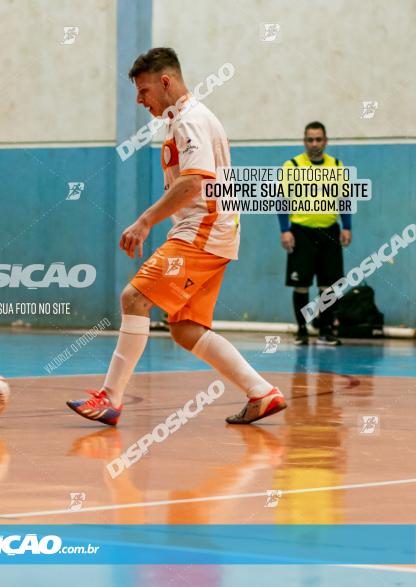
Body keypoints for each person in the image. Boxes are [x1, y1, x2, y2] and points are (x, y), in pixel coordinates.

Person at [67, 48, 286, 426]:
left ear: (165, 81)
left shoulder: (190, 120)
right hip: (214, 231)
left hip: (202, 230)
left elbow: (193, 182)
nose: (139, 100)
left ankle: (110, 399)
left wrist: (145, 221)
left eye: (144, 90)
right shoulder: (182, 121)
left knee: (134, 298)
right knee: (186, 329)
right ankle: (261, 392)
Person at [279, 121, 351, 346]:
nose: (314, 144)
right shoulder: (292, 166)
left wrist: (347, 226)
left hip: (330, 231)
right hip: (301, 233)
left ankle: (326, 329)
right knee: (301, 284)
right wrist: (285, 231)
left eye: (319, 139)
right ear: (304, 141)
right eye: (310, 139)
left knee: (328, 285)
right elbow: (281, 201)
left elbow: (345, 200)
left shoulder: (337, 166)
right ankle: (301, 330)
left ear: (325, 141)